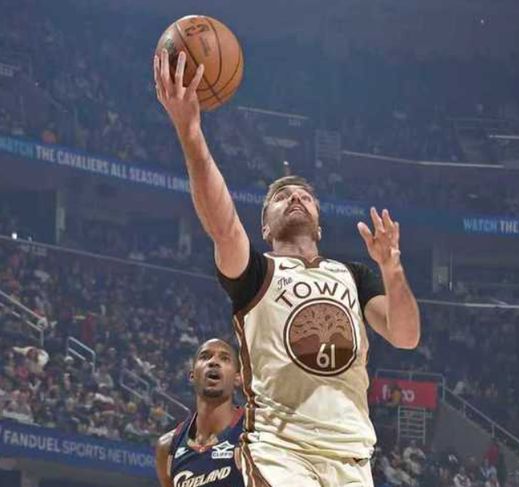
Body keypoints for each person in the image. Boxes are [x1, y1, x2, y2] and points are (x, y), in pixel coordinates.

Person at [154, 49, 421, 487]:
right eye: (281, 197)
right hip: (280, 451)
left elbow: (406, 336)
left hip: (352, 456)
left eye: (304, 196)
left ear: (318, 221)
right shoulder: (255, 273)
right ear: (265, 225)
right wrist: (190, 131)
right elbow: (223, 225)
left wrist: (392, 270)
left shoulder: (354, 275)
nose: (295, 198)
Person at [155, 339, 244, 487]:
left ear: (237, 378)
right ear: (192, 375)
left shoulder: (255, 431)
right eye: (205, 357)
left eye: (224, 358)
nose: (213, 362)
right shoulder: (168, 447)